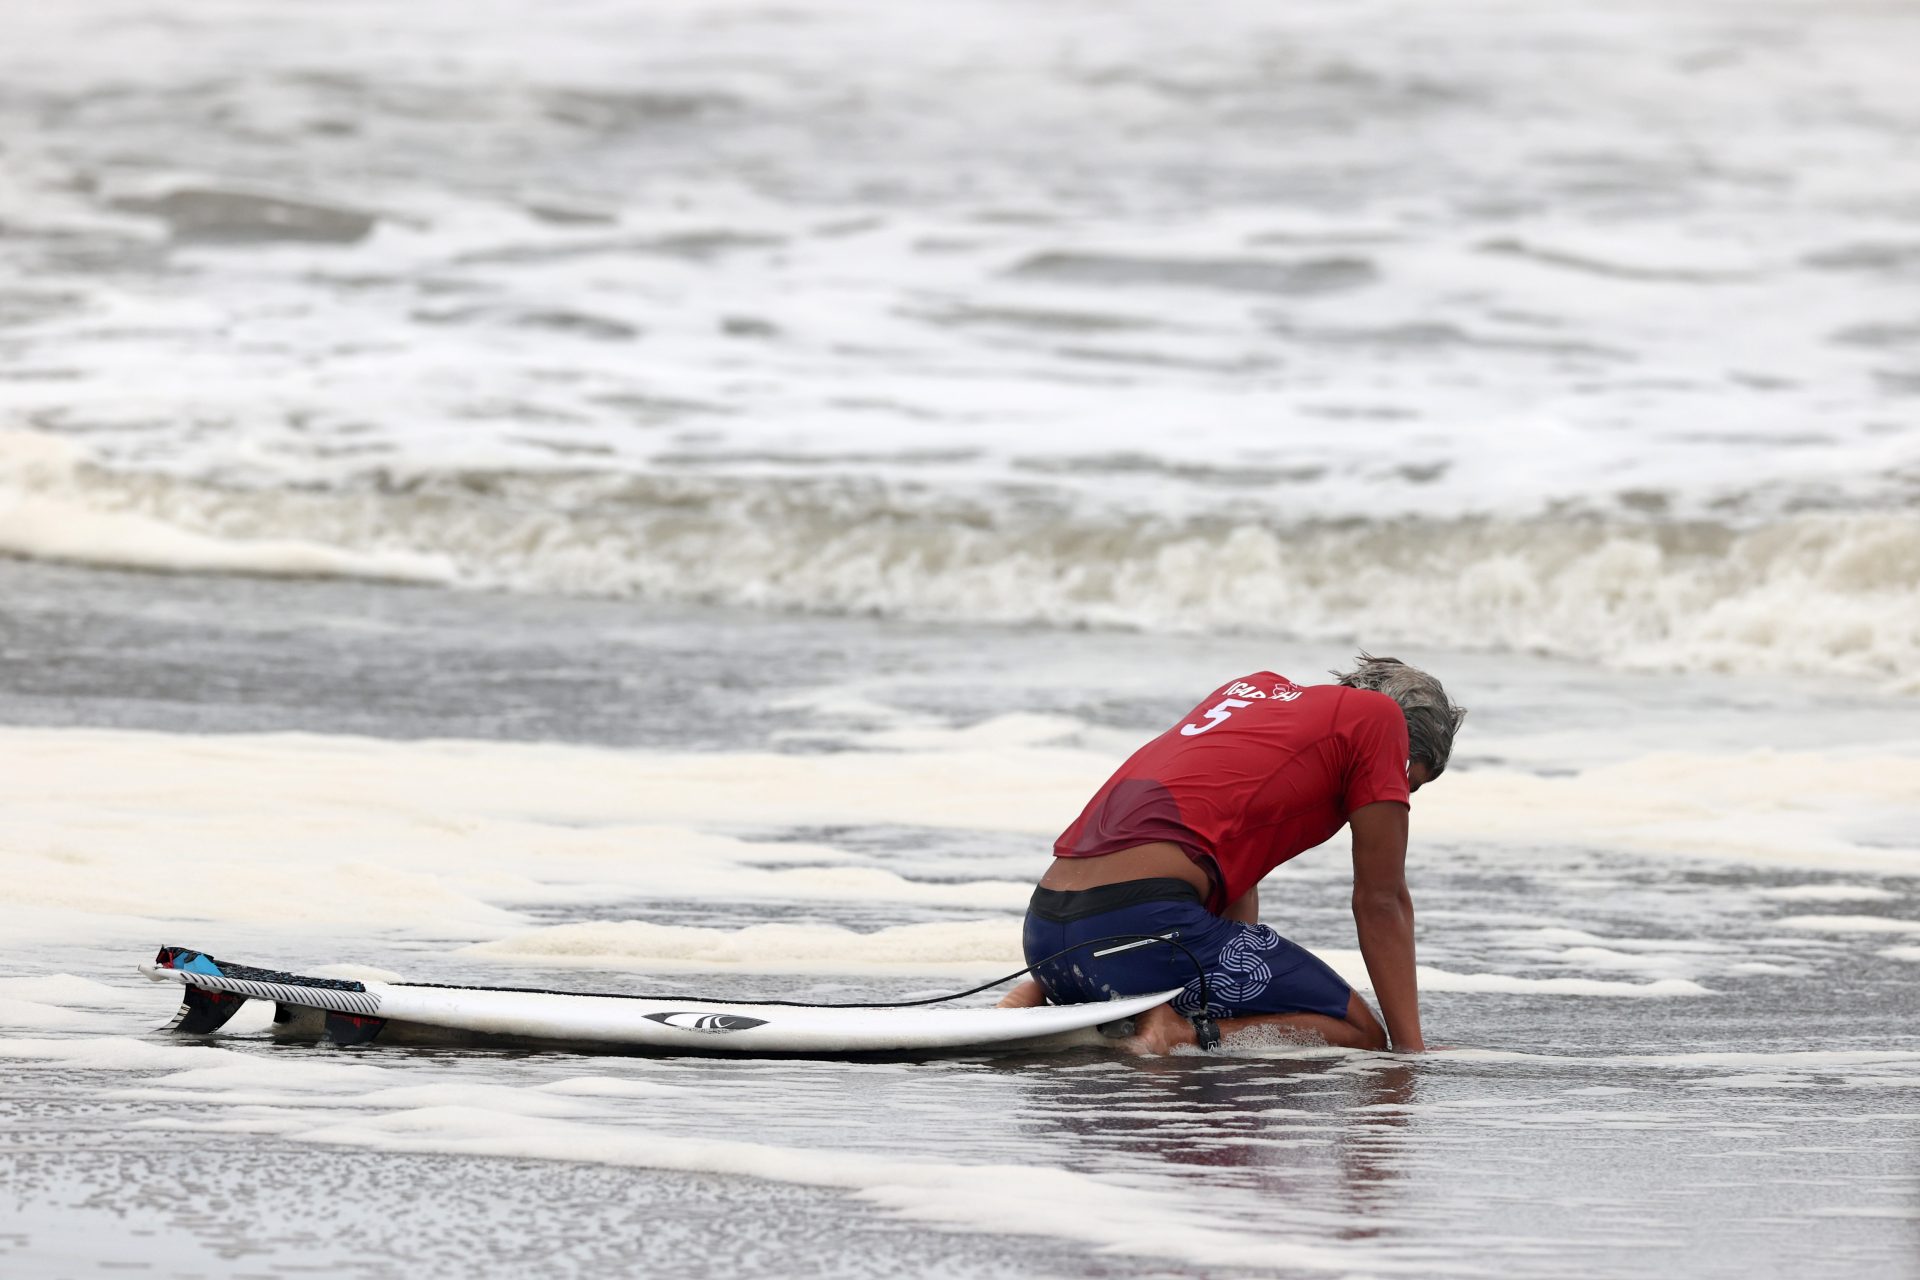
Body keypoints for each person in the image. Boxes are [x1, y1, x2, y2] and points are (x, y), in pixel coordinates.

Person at [998, 655, 1465, 1055]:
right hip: (1138, 931)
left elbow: (1229, 875)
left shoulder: (1254, 693)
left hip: (1046, 936)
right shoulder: (1379, 719)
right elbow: (1382, 902)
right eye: (1408, 782)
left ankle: (1040, 990)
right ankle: (1174, 1032)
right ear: (1403, 748)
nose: (1398, 797)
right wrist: (1410, 1050)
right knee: (1361, 1032)